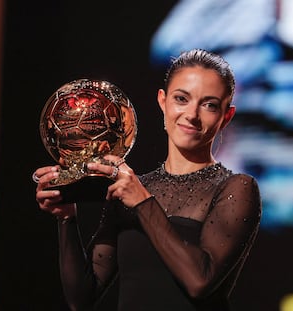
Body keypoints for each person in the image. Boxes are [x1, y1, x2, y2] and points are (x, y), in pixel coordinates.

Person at [33, 48, 262, 311]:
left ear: (226, 116)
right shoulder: (132, 190)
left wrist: (142, 202)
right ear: (163, 101)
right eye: (181, 99)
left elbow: (200, 282)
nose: (192, 114)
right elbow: (82, 297)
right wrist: (66, 219)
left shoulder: (236, 189)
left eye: (209, 105)